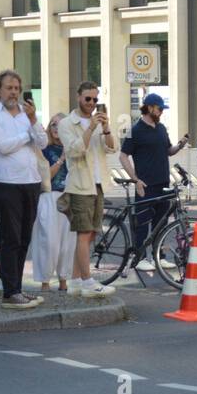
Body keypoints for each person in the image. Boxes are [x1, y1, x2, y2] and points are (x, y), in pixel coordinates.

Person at [0, 70, 46, 308]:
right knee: (10, 236)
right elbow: (2, 146)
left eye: (17, 88)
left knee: (24, 237)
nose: (13, 92)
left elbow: (43, 141)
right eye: (9, 88)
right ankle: (9, 291)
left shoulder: (26, 115)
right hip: (6, 182)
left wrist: (32, 122)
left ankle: (17, 287)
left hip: (31, 180)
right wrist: (27, 134)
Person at [57, 81, 118, 298]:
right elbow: (75, 151)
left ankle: (74, 281)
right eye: (88, 99)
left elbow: (112, 147)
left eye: (95, 99)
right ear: (78, 97)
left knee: (90, 234)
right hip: (80, 185)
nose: (92, 103)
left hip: (98, 183)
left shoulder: (99, 122)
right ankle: (87, 281)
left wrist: (106, 127)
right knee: (83, 234)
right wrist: (91, 127)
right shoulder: (67, 123)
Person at [119, 92, 188, 272]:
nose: (161, 112)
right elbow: (123, 156)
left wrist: (181, 144)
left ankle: (160, 256)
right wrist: (135, 180)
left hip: (163, 182)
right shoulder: (135, 130)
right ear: (149, 108)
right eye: (159, 109)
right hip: (145, 184)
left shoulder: (161, 128)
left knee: (161, 221)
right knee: (142, 221)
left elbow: (169, 151)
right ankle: (140, 257)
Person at [32, 114, 76, 292]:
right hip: (49, 196)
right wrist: (62, 159)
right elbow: (46, 177)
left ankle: (64, 280)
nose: (56, 128)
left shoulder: (73, 148)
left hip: (69, 196)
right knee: (49, 241)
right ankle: (45, 282)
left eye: (60, 124)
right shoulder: (44, 149)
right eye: (53, 125)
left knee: (67, 243)